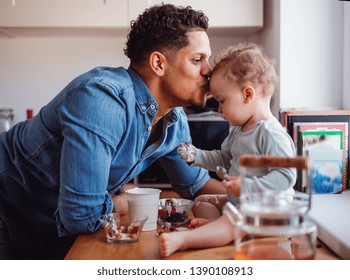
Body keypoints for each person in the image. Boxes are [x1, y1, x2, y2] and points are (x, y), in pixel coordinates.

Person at [0, 4, 226, 260]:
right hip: (7, 208)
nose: (208, 70)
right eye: (197, 60)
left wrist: (260, 201)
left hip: (49, 227)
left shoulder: (174, 119)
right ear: (158, 63)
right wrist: (125, 199)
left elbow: (195, 185)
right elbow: (81, 215)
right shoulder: (102, 99)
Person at [159, 42, 297, 257]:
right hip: (242, 205)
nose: (220, 109)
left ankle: (185, 239)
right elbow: (223, 159)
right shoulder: (238, 130)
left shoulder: (271, 134)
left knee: (232, 220)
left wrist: (249, 186)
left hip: (272, 214)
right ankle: (219, 228)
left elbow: (286, 176)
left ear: (247, 94)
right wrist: (196, 156)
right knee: (202, 201)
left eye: (222, 101)